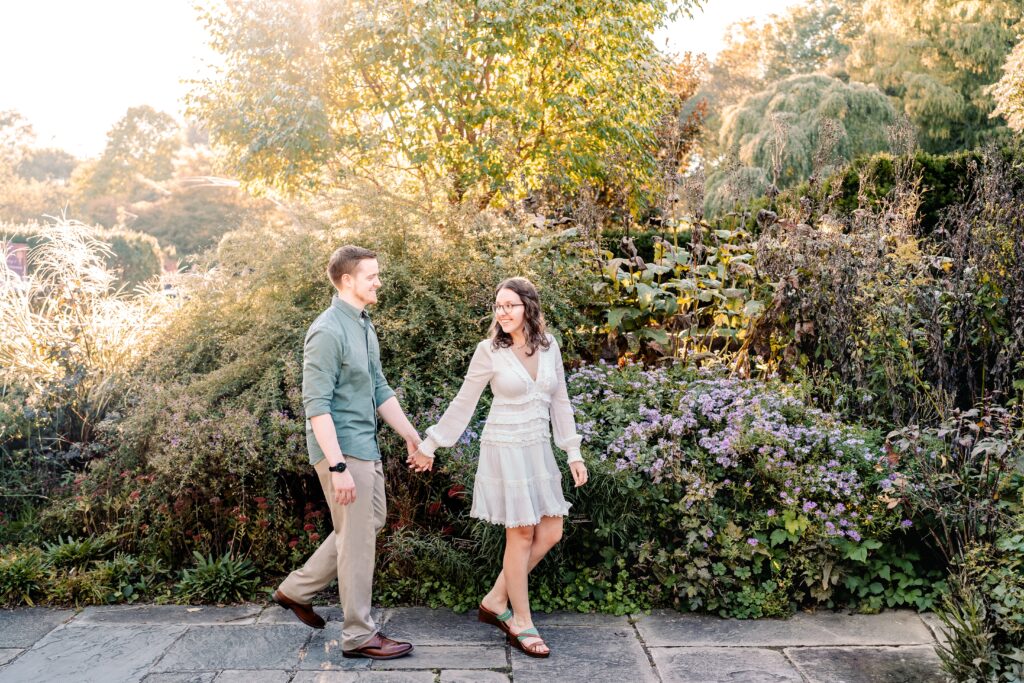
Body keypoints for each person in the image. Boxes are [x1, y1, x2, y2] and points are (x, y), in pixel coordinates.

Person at [407, 276, 588, 658]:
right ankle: (520, 621)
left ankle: (495, 597)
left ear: (528, 307)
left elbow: (561, 403)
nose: (502, 312)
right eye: (498, 306)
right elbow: (463, 403)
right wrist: (430, 444)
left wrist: (573, 451)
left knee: (551, 531)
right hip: (504, 447)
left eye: (510, 305)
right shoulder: (489, 350)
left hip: (537, 448)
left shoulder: (549, 345)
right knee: (521, 534)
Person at [272, 245, 420, 660]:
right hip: (341, 449)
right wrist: (337, 466)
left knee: (369, 521)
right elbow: (316, 406)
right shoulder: (327, 331)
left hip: (364, 444)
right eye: (371, 275)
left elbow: (379, 388)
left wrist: (410, 434)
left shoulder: (363, 324)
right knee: (357, 538)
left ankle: (295, 589)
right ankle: (358, 634)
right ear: (347, 280)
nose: (378, 281)